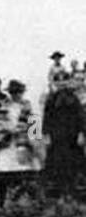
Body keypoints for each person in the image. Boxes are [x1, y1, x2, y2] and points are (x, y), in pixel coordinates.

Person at [42, 70, 86, 199]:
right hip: (56, 136)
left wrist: (82, 134)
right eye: (58, 81)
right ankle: (59, 193)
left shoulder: (74, 98)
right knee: (57, 163)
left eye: (64, 80)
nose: (61, 83)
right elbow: (47, 117)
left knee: (74, 162)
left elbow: (80, 117)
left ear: (68, 82)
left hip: (71, 135)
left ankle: (74, 192)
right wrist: (46, 135)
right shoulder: (51, 98)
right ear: (55, 83)